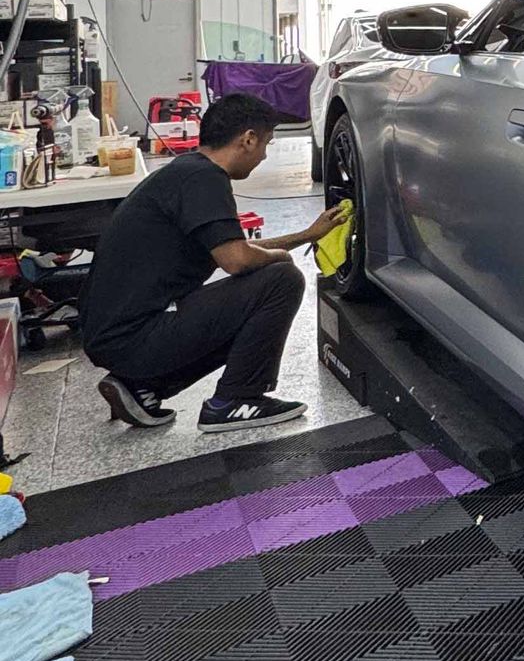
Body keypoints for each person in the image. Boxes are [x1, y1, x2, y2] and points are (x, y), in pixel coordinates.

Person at [82, 91, 338, 432]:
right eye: (266, 144)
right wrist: (281, 256)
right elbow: (236, 260)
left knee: (261, 284)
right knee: (282, 280)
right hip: (134, 338)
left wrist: (307, 235)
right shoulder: (204, 180)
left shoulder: (186, 171)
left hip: (115, 336)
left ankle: (141, 387)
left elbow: (233, 248)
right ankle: (236, 398)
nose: (264, 156)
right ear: (247, 140)